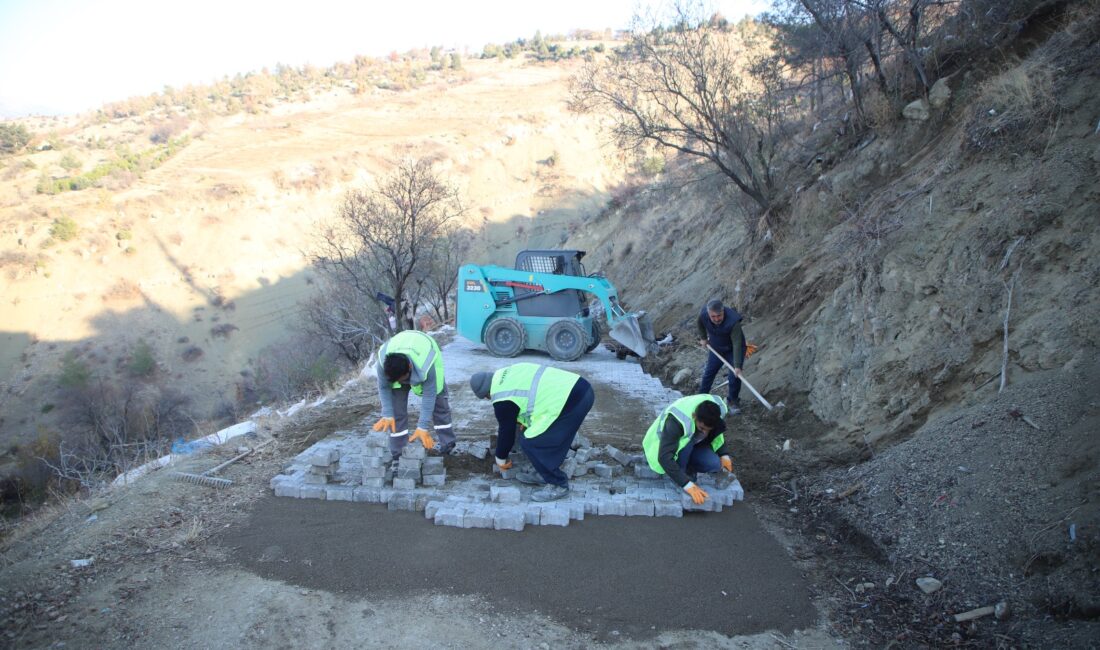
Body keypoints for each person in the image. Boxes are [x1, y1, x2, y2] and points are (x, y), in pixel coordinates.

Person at [469, 363, 595, 502]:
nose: (489, 399)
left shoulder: (502, 397)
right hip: (581, 388)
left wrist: (500, 457)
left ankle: (558, 485)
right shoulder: (506, 373)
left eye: (487, 397)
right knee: (542, 435)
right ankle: (543, 474)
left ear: (486, 393)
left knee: (531, 441)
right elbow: (527, 397)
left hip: (571, 401)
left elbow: (506, 431)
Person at [372, 330, 455, 461]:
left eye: (402, 379)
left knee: (439, 403)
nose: (401, 383)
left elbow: (429, 395)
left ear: (410, 367)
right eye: (396, 380)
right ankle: (398, 452)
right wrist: (387, 413)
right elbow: (383, 387)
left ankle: (447, 443)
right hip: (402, 354)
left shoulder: (426, 363)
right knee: (396, 412)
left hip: (423, 352)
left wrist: (422, 426)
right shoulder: (383, 363)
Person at [642, 394, 734, 505]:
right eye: (702, 428)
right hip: (660, 448)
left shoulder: (718, 409)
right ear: (694, 416)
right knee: (688, 442)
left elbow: (717, 434)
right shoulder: (676, 421)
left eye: (708, 430)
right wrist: (687, 484)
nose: (705, 432)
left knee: (714, 464)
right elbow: (664, 457)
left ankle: (689, 469)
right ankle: (680, 473)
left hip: (690, 445)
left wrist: (724, 454)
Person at [697, 298, 747, 414]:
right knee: (709, 373)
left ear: (723, 311)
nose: (716, 319)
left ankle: (733, 401)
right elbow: (699, 322)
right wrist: (703, 338)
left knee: (734, 376)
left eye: (719, 316)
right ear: (709, 313)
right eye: (713, 316)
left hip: (732, 349)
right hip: (716, 347)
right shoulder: (704, 314)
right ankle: (700, 398)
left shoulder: (733, 322)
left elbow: (737, 344)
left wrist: (737, 365)